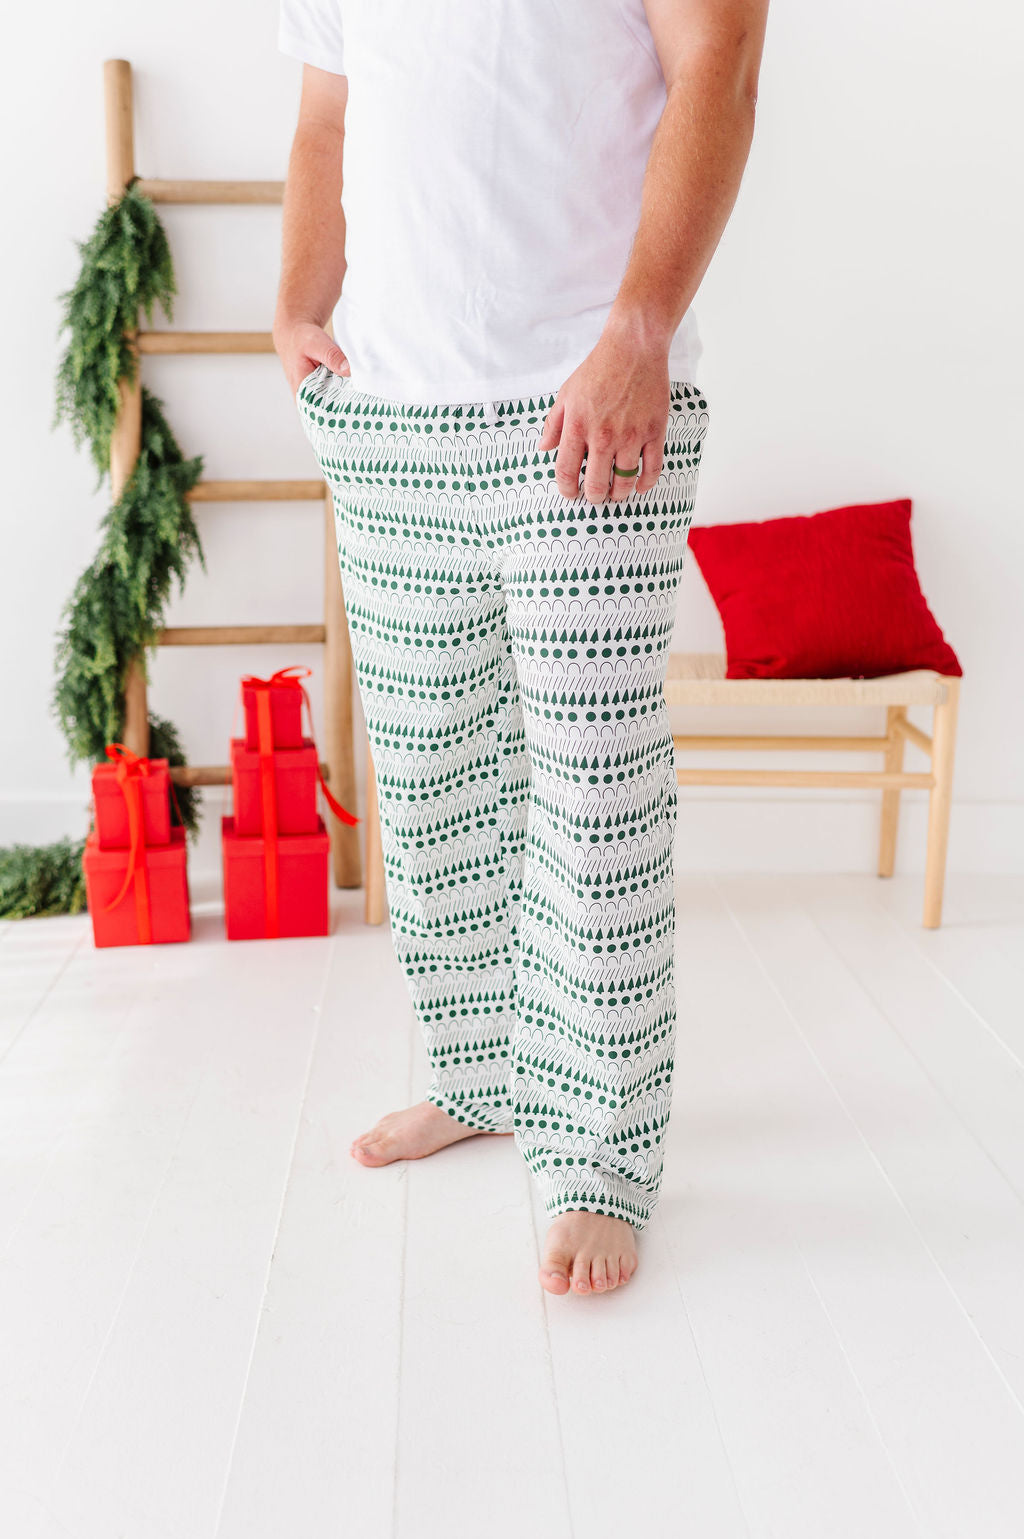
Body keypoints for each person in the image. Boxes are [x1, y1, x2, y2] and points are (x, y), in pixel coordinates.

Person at [274, 0, 769, 1299]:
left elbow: (720, 63)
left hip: (589, 401)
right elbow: (326, 113)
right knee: (428, 781)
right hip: (386, 409)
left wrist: (642, 334)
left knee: (594, 793)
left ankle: (600, 1154)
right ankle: (483, 1073)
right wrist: (296, 310)